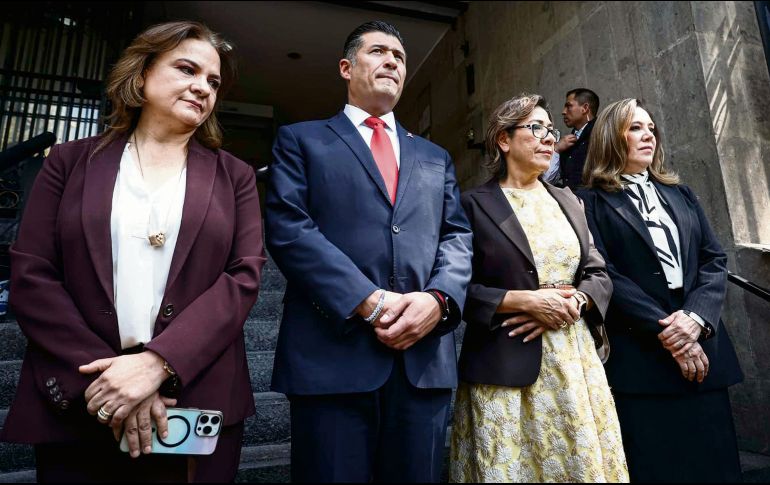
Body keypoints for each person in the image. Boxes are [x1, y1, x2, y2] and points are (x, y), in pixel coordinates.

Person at [0, 21, 266, 482]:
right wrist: (111, 380)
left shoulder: (235, 176)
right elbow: (33, 274)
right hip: (83, 394)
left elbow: (243, 278)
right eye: (187, 69)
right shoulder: (68, 162)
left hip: (193, 401)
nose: (203, 87)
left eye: (213, 81)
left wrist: (157, 364)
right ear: (142, 74)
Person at [266, 20, 473, 483]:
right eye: (379, 51)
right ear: (346, 67)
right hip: (331, 355)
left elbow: (457, 236)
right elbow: (289, 228)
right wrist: (368, 300)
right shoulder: (301, 140)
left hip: (422, 359)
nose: (392, 62)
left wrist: (438, 300)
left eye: (399, 57)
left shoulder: (435, 156)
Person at [450, 93, 628, 483]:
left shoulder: (569, 200)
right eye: (536, 128)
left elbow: (597, 271)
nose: (549, 137)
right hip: (503, 365)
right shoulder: (472, 205)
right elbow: (455, 288)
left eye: (551, 129)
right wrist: (521, 301)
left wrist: (577, 300)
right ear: (503, 139)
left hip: (573, 363)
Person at [577, 98, 743, 482]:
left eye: (651, 128)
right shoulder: (588, 202)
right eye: (635, 127)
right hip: (642, 357)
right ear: (610, 136)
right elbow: (604, 272)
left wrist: (695, 319)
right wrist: (671, 332)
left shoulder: (681, 194)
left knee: (717, 466)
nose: (648, 135)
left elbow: (714, 259)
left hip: (704, 350)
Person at [543, 88, 599, 189]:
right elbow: (547, 180)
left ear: (585, 108)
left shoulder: (601, 135)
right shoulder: (568, 142)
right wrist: (556, 149)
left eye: (569, 106)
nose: (563, 112)